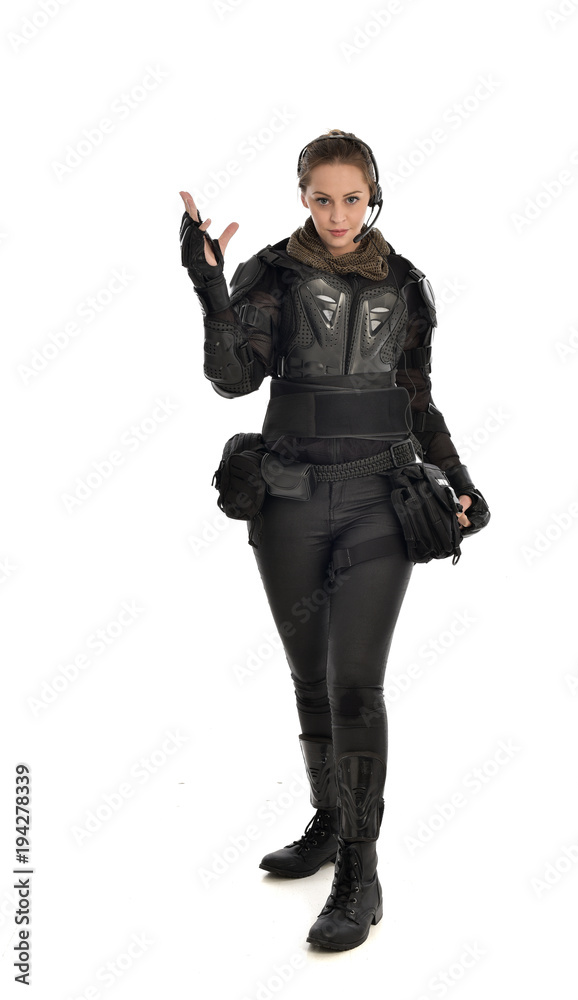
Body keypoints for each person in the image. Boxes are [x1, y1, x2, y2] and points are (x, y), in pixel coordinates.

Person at [179, 129, 489, 951]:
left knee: (355, 684)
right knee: (308, 675)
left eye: (353, 197)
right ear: (302, 197)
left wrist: (457, 478)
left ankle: (361, 870)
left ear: (374, 196)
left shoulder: (409, 286)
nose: (338, 213)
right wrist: (209, 287)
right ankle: (327, 820)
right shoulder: (273, 273)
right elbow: (233, 380)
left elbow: (416, 400)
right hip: (286, 498)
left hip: (378, 502)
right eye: (322, 197)